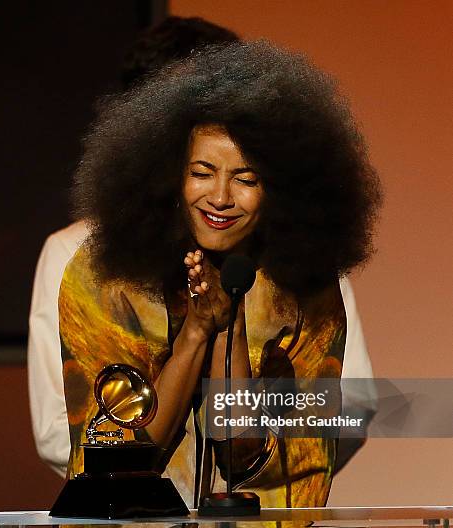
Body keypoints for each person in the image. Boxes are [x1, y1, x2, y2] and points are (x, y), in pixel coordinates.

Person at [28, 21, 373, 481]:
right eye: (202, 170)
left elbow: (344, 411)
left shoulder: (303, 269)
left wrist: (267, 467)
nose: (221, 196)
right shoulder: (82, 262)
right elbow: (66, 434)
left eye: (246, 177)